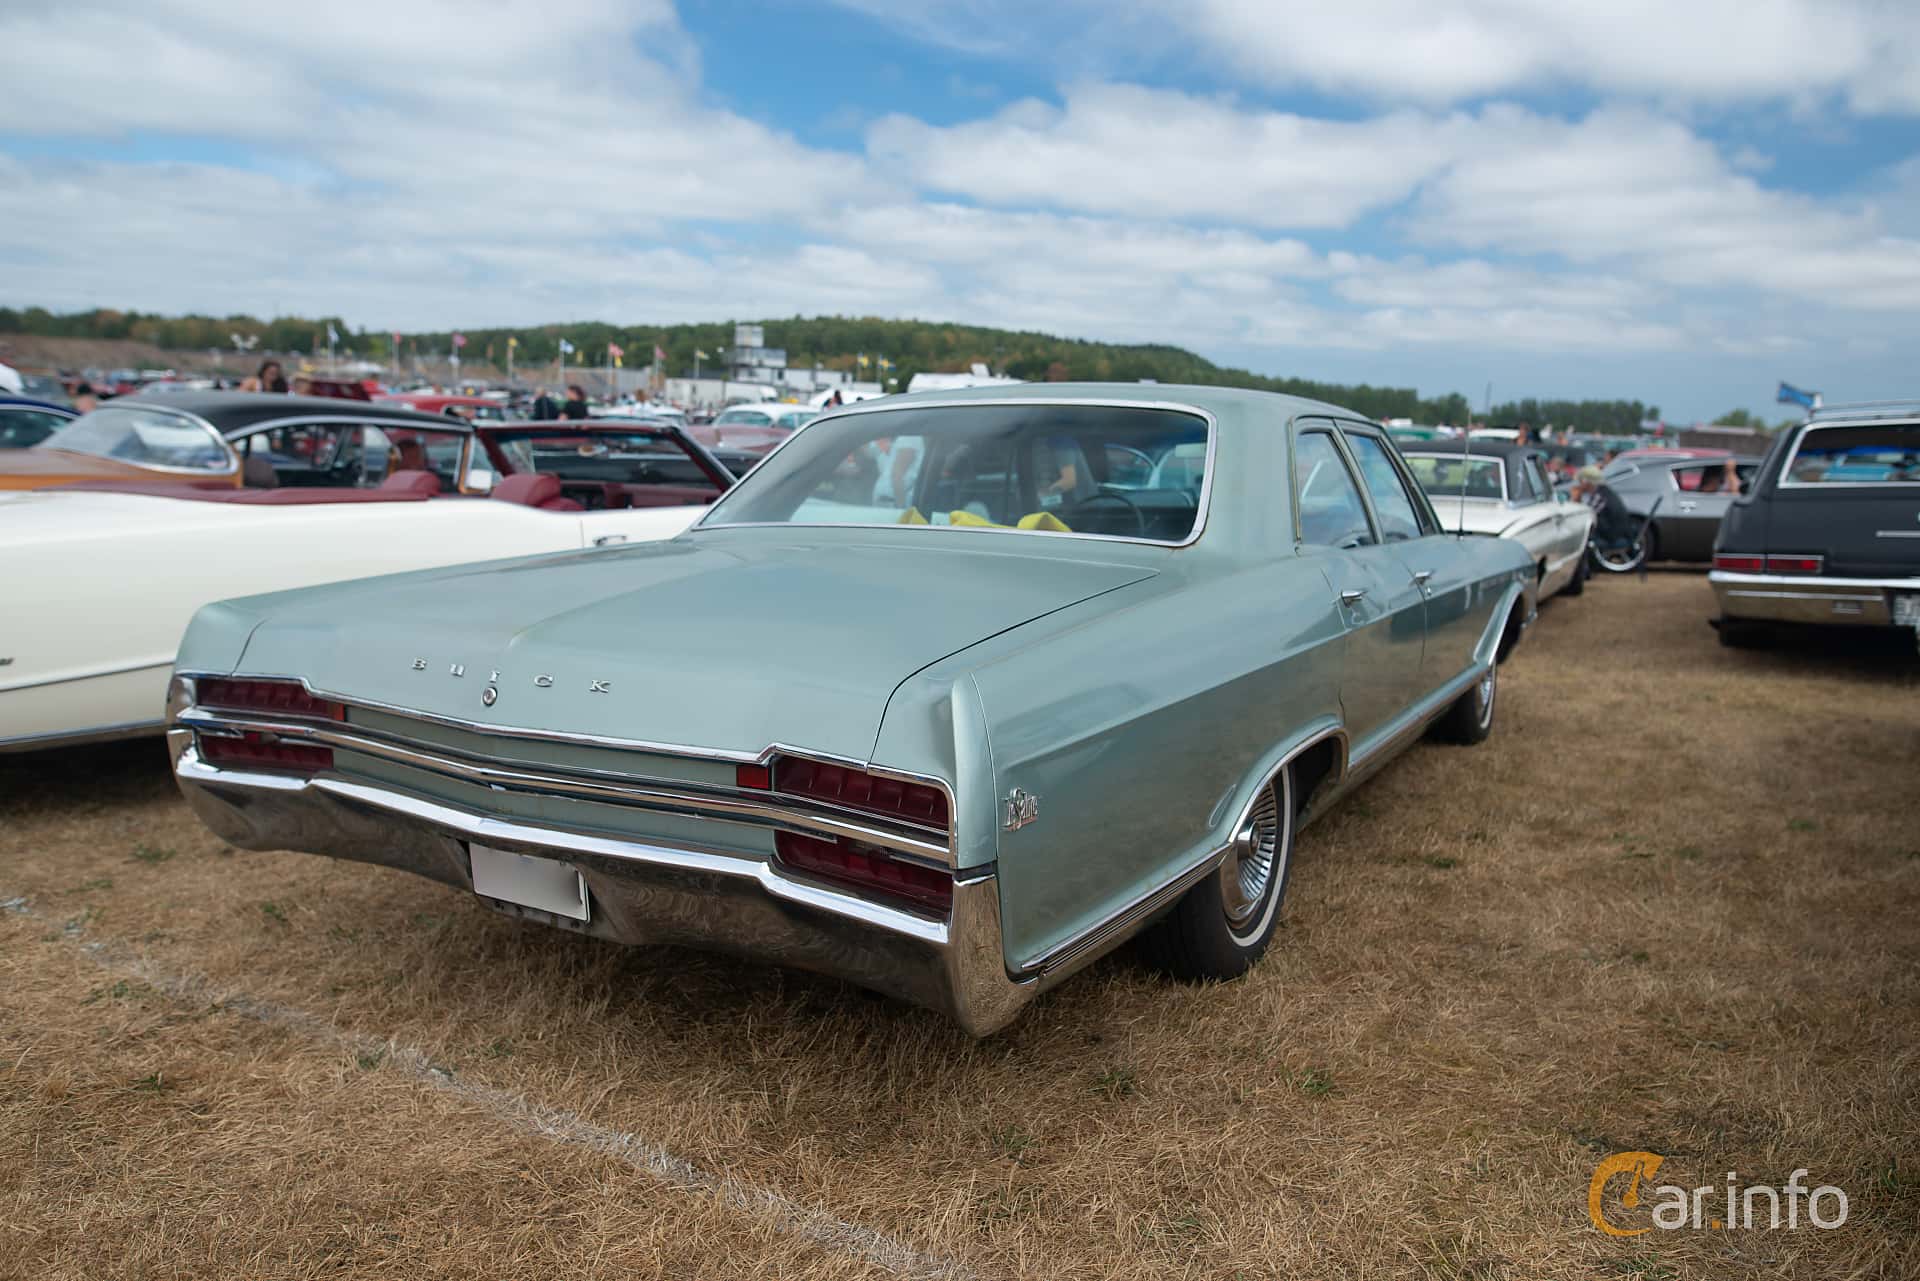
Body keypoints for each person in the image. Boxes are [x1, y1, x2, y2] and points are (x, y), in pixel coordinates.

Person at [1572, 464, 1635, 544]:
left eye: (1580, 481)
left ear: (1586, 482)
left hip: (1612, 535)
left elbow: (1586, 515)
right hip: (1618, 532)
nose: (1579, 484)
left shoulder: (1600, 496)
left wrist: (1576, 499)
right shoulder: (1604, 491)